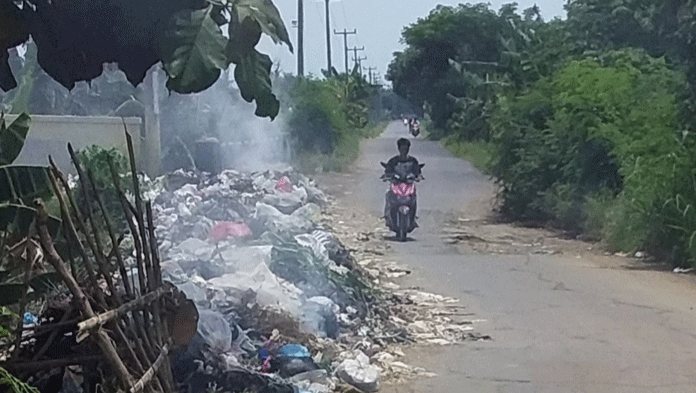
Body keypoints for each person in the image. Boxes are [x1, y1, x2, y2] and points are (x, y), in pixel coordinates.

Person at [383, 138, 423, 230]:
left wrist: (418, 176)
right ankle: (388, 217)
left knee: (413, 198)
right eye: (402, 148)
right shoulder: (393, 161)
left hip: (408, 185)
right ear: (399, 149)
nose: (404, 151)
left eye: (406, 149)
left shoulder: (413, 161)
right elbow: (388, 170)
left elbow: (418, 172)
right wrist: (387, 175)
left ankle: (413, 219)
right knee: (388, 195)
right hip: (396, 184)